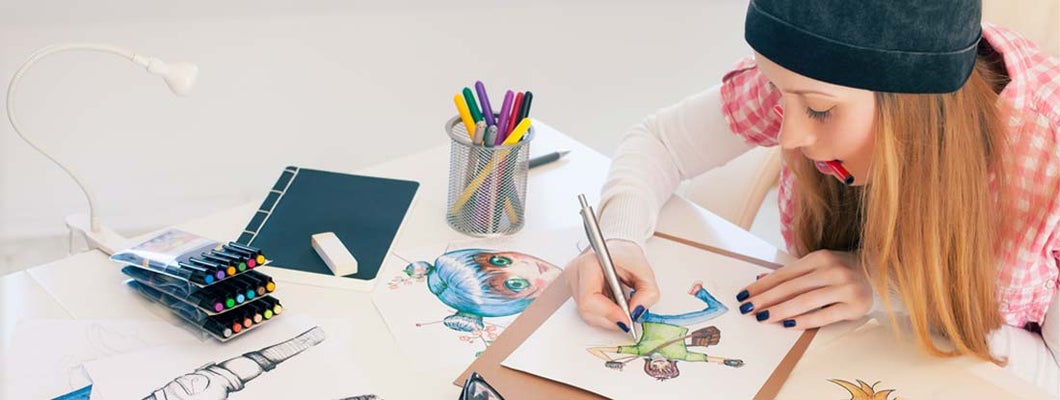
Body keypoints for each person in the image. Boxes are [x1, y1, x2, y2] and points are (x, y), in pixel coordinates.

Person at [566, 0, 1059, 393]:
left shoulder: (1047, 157)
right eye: (780, 95)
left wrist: (890, 289)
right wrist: (619, 237)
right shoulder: (802, 84)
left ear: (914, 108)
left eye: (820, 111)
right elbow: (661, 141)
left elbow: (1051, 373)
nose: (787, 138)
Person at [586, 282, 744, 381]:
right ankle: (699, 291)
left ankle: (633, 284)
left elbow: (594, 349)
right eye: (665, 368)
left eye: (655, 369)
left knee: (633, 298)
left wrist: (610, 361)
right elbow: (709, 359)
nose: (659, 365)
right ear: (671, 364)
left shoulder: (639, 351)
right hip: (677, 324)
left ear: (649, 366)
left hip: (647, 320)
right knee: (719, 310)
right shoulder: (682, 356)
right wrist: (728, 362)